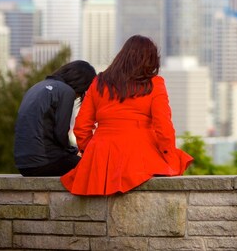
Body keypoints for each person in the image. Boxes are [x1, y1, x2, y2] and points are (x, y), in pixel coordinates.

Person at [61, 35, 193, 195]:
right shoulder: (155, 84)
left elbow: (81, 126)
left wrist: (93, 154)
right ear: (150, 60)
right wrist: (169, 157)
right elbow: (163, 127)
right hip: (139, 155)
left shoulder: (99, 82)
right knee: (178, 159)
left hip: (101, 153)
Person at [14, 60, 97, 177]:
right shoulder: (66, 91)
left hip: (23, 165)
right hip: (44, 163)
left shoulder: (37, 86)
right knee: (93, 166)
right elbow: (61, 134)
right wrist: (74, 151)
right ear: (83, 84)